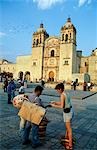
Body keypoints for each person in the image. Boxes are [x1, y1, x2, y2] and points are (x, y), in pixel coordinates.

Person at [51, 83, 73, 150]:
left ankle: (70, 145)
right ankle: (66, 138)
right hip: (71, 110)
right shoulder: (67, 93)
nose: (57, 91)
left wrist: (53, 105)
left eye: (57, 90)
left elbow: (61, 106)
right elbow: (64, 103)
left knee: (69, 129)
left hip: (67, 113)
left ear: (60, 89)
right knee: (67, 127)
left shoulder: (62, 95)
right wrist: (55, 102)